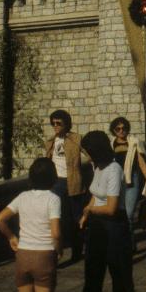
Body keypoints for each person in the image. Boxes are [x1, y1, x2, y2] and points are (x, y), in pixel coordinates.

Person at [75, 130, 143, 292]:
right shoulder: (98, 167)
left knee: (121, 280)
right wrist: (87, 213)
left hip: (115, 228)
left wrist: (90, 209)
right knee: (91, 284)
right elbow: (96, 193)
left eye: (89, 152)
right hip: (97, 227)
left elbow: (112, 207)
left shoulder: (113, 169)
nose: (88, 157)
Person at [0, 157, 62, 292]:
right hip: (44, 255)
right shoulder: (53, 199)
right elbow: (56, 232)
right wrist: (58, 250)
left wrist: (11, 238)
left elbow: (0, 219)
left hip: (23, 254)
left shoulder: (22, 197)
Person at [45, 109, 86, 265]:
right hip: (56, 183)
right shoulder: (50, 141)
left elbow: (90, 153)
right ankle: (56, 254)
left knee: (77, 219)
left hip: (74, 182)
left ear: (66, 124)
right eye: (53, 123)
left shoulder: (76, 139)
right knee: (57, 219)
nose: (55, 126)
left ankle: (77, 252)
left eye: (58, 123)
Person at [110, 116, 146, 245]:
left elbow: (142, 163)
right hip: (116, 181)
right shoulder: (111, 144)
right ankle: (127, 241)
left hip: (131, 180)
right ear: (114, 130)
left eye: (124, 128)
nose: (121, 131)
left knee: (128, 214)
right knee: (118, 214)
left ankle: (128, 243)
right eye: (118, 129)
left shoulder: (134, 142)